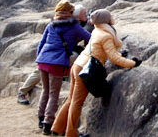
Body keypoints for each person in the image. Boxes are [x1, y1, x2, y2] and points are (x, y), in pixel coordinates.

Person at [51, 9, 141, 137]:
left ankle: (57, 128)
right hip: (85, 69)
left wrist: (119, 54)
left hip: (78, 64)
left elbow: (105, 51)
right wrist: (132, 63)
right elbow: (114, 57)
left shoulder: (97, 30)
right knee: (77, 103)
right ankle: (71, 133)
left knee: (71, 100)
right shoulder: (106, 34)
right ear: (106, 20)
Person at [17, 4, 92, 105]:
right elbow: (88, 36)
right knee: (41, 71)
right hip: (54, 54)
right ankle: (22, 92)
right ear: (76, 15)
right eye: (84, 13)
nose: (86, 15)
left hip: (57, 53)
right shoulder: (71, 24)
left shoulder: (76, 23)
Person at [36, 0, 92, 135]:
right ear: (70, 12)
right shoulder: (74, 26)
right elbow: (90, 37)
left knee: (46, 90)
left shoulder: (51, 24)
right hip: (57, 62)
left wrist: (39, 58)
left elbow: (42, 43)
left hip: (43, 60)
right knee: (54, 94)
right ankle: (48, 123)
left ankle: (41, 117)